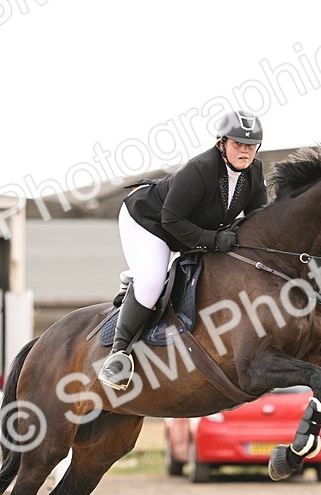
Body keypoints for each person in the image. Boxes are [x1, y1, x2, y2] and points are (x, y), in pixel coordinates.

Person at [99, 110, 269, 389]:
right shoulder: (200, 169)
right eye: (238, 144)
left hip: (186, 228)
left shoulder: (255, 172)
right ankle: (118, 355)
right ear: (221, 144)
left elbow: (258, 218)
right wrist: (214, 240)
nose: (245, 151)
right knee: (153, 280)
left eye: (251, 146)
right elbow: (171, 220)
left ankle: (138, 280)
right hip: (148, 221)